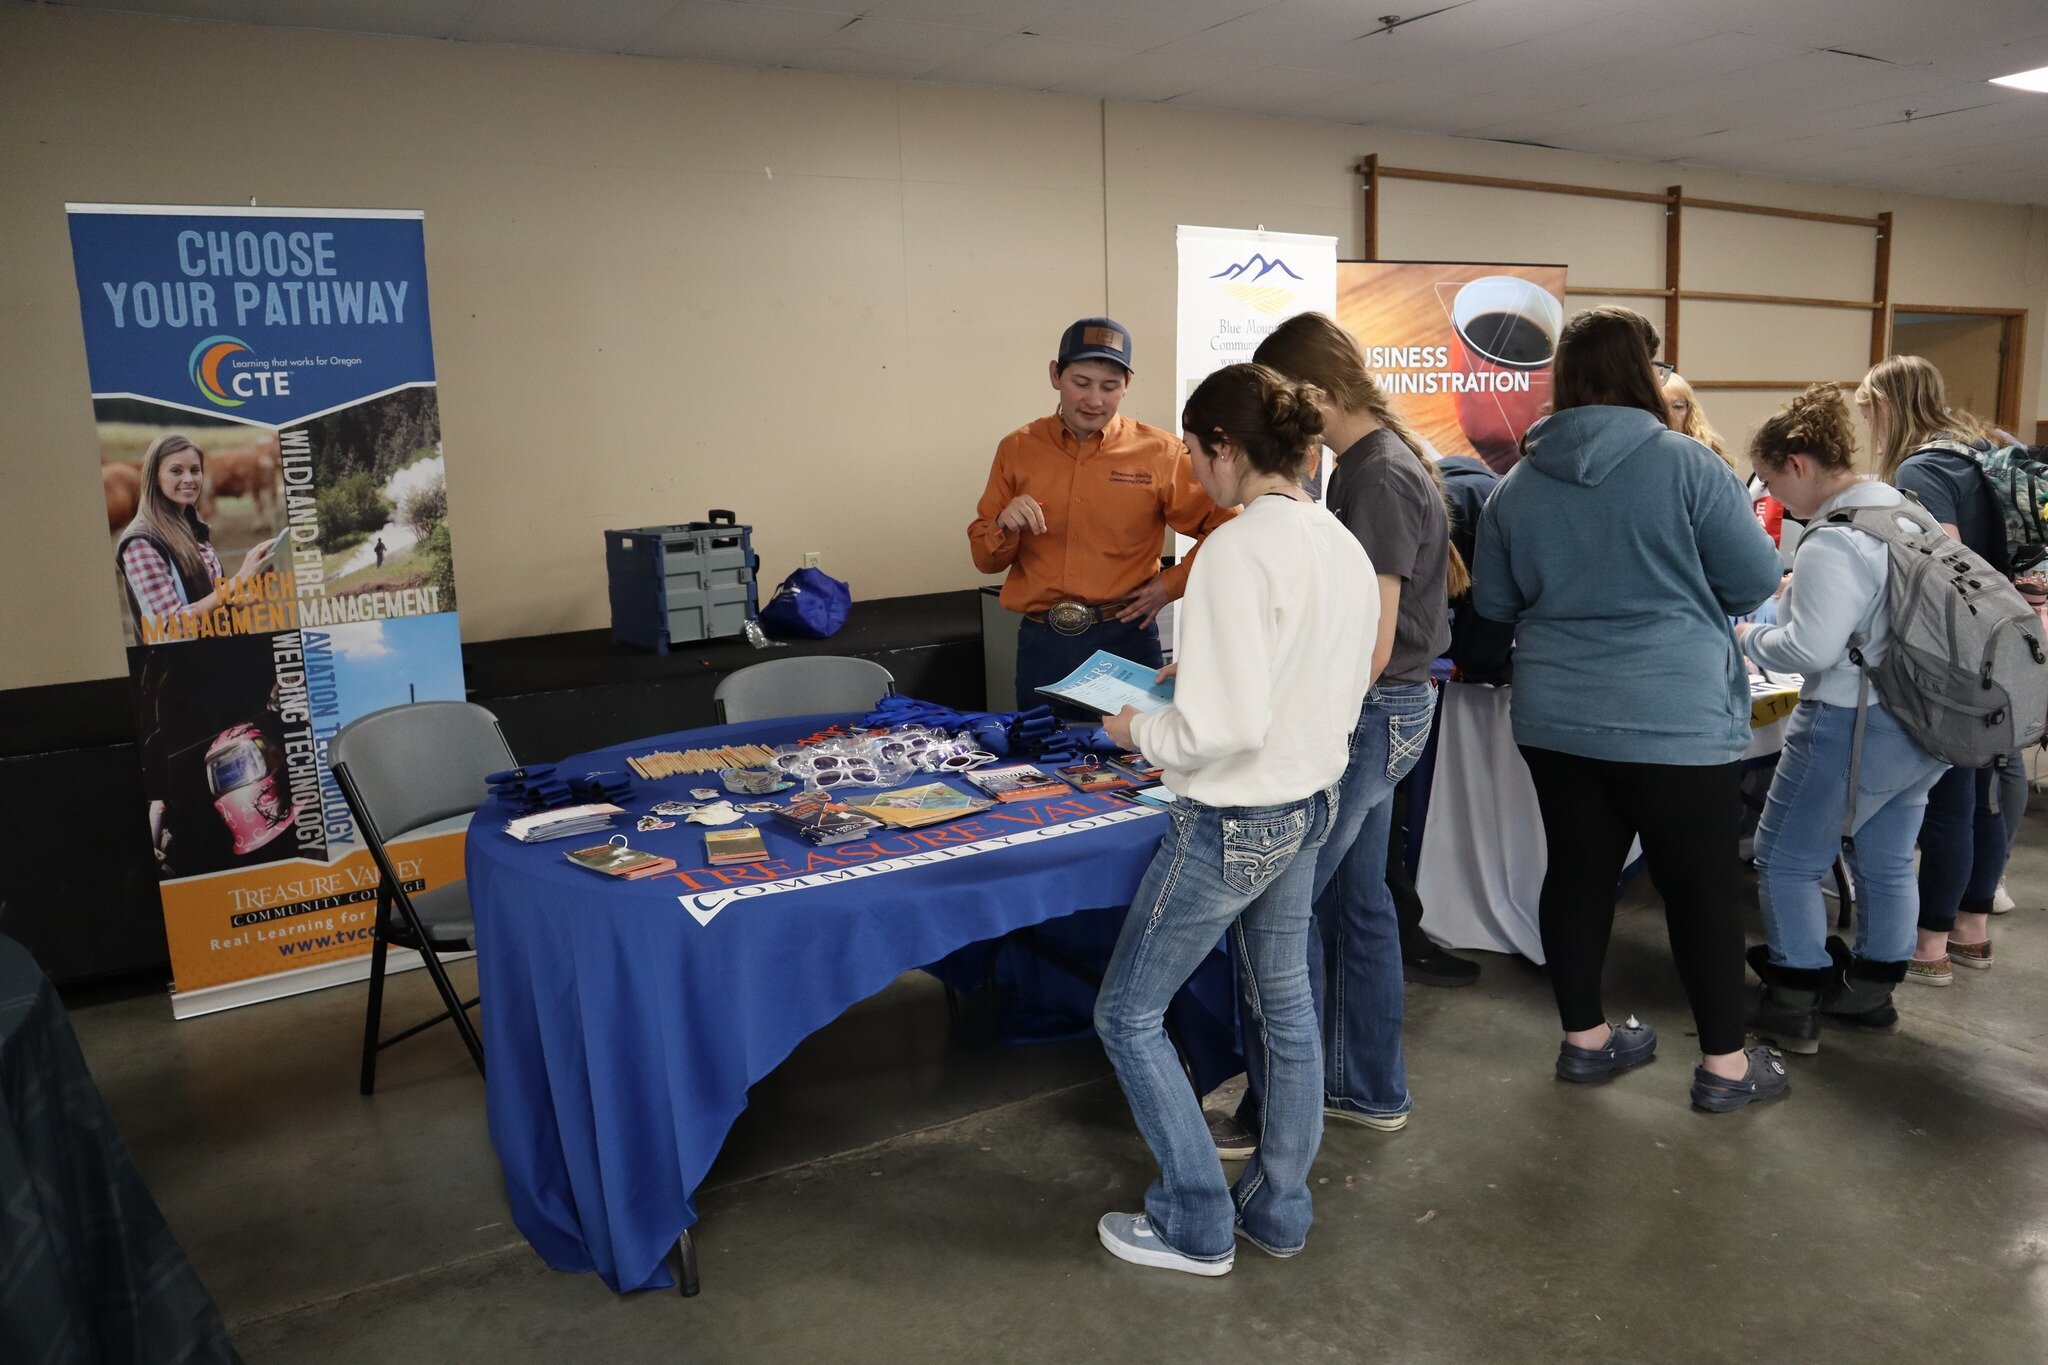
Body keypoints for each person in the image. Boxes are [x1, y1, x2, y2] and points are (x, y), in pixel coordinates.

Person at [1092, 363, 1375, 1276]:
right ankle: (1278, 1209)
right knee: (1283, 1002)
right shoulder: (1333, 539)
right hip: (1310, 799)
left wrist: (1136, 724)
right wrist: (1202, 680)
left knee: (1129, 1013)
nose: (1192, 470)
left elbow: (1222, 729)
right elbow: (1313, 672)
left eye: (1193, 450)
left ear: (1223, 446)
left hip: (1233, 817)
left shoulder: (1235, 549)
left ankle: (1194, 1219)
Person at [1473, 306, 1790, 1113]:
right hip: (1674, 714)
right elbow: (1755, 581)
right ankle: (1725, 1068)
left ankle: (1586, 1042)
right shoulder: (1688, 466)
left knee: (1578, 875)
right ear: (1644, 374)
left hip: (1557, 715)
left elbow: (1498, 603)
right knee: (1699, 889)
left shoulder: (1516, 483)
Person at [1247, 311, 1470, 1134]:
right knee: (1358, 899)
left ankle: (1280, 1105)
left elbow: (1368, 646)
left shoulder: (1374, 474)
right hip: (1394, 707)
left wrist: (1299, 712)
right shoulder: (1374, 462)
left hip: (1374, 711)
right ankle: (1365, 1087)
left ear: (1312, 392)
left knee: (1288, 906)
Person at [1733, 385, 1948, 1054]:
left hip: (1851, 718)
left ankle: (1795, 997)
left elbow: (1808, 650)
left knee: (1784, 857)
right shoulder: (1905, 511)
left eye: (1772, 483)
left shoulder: (1833, 539)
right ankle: (1871, 990)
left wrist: (1747, 636)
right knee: (1886, 858)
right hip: (1926, 717)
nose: (1775, 500)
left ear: (1798, 463)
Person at [969, 318, 1234, 713]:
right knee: (1040, 766)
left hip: (1125, 639)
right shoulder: (1017, 449)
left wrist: (1170, 585)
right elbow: (985, 561)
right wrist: (1004, 524)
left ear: (1127, 384)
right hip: (1042, 643)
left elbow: (1228, 528)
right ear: (1055, 375)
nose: (1094, 399)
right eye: (1082, 382)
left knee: (1138, 765)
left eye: (1109, 387)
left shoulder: (1160, 453)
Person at [1857, 354, 2016, 983]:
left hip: (1957, 652)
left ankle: (1929, 946)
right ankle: (1972, 932)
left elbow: (1940, 566)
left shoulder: (1920, 467)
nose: (1866, 421)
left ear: (1888, 405)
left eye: (1868, 409)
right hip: (2009, 642)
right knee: (1989, 794)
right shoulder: (1980, 449)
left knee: (1950, 802)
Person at [116, 434, 276, 635]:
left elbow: (202, 599)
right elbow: (172, 624)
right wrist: (239, 579)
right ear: (154, 477)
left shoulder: (189, 524)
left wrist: (240, 601)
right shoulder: (141, 541)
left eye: (195, 470)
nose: (189, 479)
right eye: (176, 471)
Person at [1659, 369, 1738, 471]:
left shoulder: (1710, 455)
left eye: (1677, 407)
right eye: (1661, 407)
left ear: (1690, 411)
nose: (1669, 415)